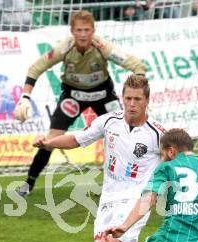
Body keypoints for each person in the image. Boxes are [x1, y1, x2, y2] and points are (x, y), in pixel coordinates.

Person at [32, 74, 173, 242]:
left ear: (147, 100)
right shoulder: (109, 122)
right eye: (128, 98)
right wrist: (49, 143)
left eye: (137, 99)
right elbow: (78, 138)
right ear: (122, 97)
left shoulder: (157, 134)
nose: (131, 104)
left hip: (135, 203)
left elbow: (175, 163)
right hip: (108, 199)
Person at [15, 10, 147, 196]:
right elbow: (35, 68)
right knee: (51, 139)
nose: (83, 34)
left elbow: (137, 65)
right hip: (73, 97)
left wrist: (139, 88)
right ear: (72, 31)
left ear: (93, 31)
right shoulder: (64, 48)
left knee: (124, 135)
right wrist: (25, 97)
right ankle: (28, 185)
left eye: (87, 30)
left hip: (103, 95)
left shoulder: (102, 46)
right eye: (79, 30)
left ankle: (126, 185)